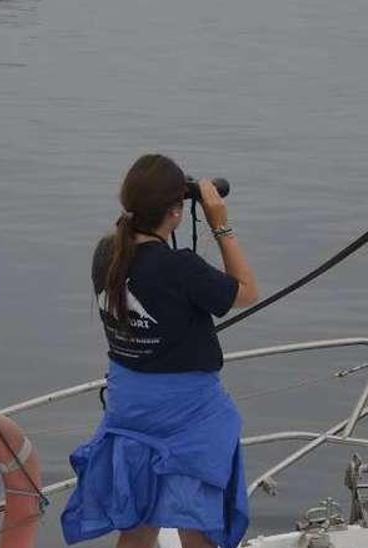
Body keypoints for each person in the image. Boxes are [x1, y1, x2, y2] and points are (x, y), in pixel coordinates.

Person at [60, 153, 259, 548]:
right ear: (175, 213)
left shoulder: (106, 255)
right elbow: (247, 292)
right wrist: (221, 225)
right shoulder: (180, 267)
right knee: (196, 514)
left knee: (138, 518)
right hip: (187, 415)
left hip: (129, 407)